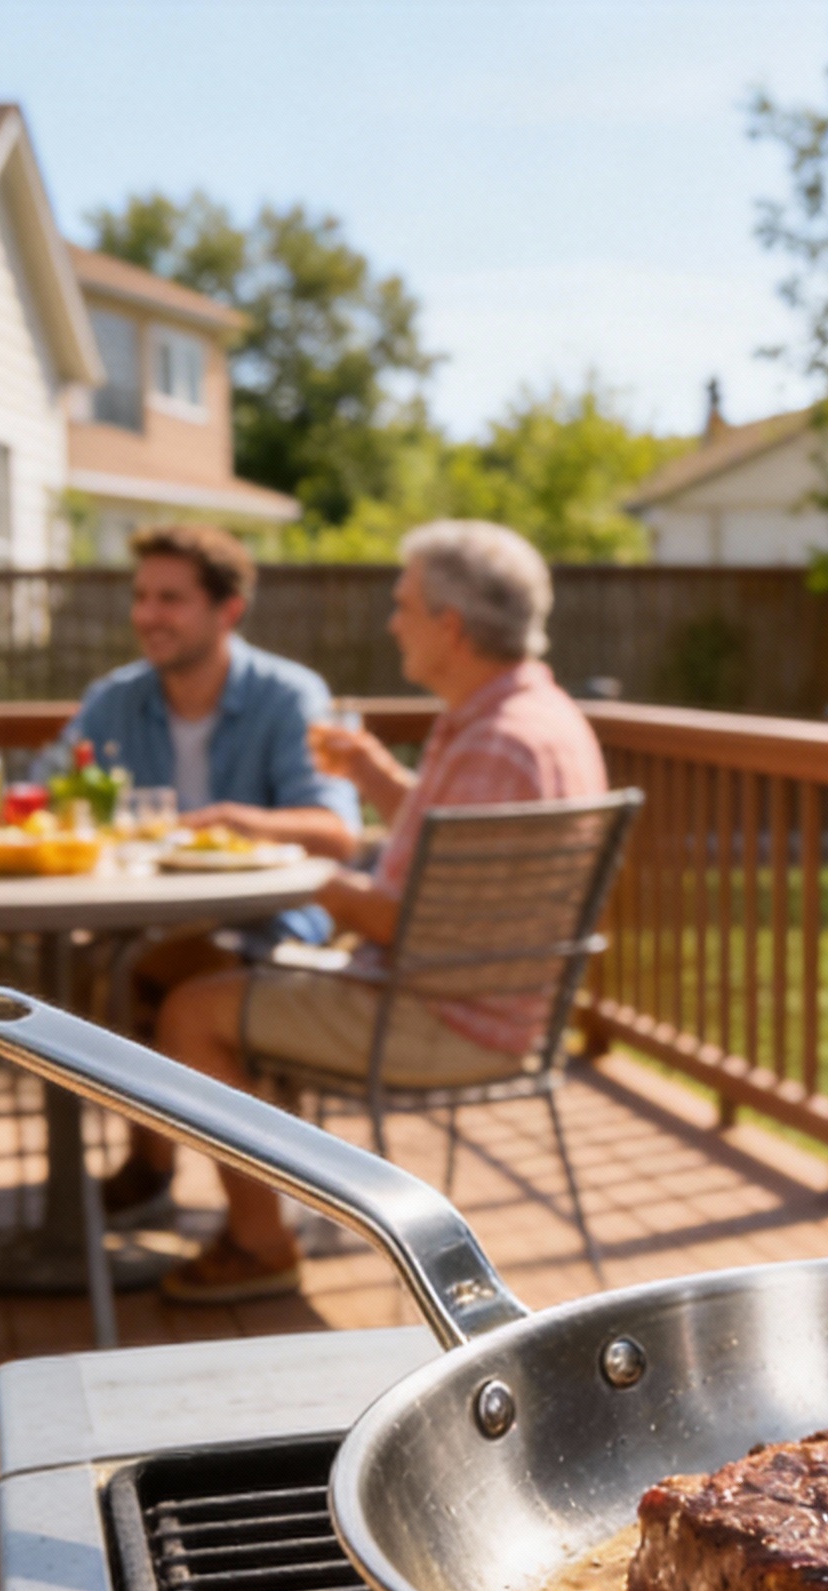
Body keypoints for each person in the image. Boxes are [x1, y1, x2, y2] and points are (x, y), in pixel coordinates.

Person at [150, 520, 608, 1304]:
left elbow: (409, 925)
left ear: (451, 626)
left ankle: (262, 1243)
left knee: (193, 1013)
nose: (393, 622)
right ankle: (274, 1199)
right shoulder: (529, 714)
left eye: (404, 605)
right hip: (483, 997)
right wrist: (374, 776)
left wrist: (307, 874)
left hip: (442, 1014)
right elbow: (452, 853)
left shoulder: (497, 742)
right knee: (224, 980)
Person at [57, 524, 362, 1222]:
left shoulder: (288, 696)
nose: (148, 615)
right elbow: (48, 796)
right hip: (139, 919)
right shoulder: (114, 700)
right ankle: (160, 1161)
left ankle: (196, 1185)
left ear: (228, 611)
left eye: (171, 599)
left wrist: (230, 818)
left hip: (264, 927)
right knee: (84, 973)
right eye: (140, 597)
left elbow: (336, 834)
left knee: (143, 973)